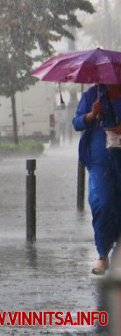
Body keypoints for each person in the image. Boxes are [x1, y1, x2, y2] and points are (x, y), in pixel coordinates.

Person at [72, 83, 121, 275]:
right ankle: (103, 253)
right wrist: (92, 115)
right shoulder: (94, 93)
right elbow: (77, 123)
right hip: (100, 158)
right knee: (103, 202)